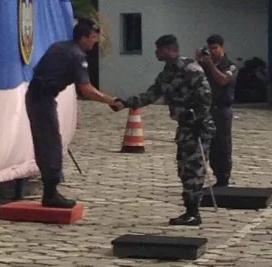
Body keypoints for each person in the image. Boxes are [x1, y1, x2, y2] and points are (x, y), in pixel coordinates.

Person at [112, 35, 215, 226]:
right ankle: (190, 210)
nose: (155, 53)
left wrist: (196, 119)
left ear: (169, 49)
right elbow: (152, 94)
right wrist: (125, 103)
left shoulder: (190, 69)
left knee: (194, 168)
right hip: (184, 127)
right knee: (184, 168)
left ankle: (194, 213)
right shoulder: (167, 73)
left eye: (158, 49)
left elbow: (206, 97)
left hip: (198, 126)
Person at [25, 18, 122, 208]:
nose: (95, 42)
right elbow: (85, 89)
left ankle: (50, 189)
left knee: (45, 142)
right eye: (93, 38)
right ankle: (51, 194)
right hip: (42, 99)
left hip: (36, 96)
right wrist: (110, 100)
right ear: (83, 38)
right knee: (51, 143)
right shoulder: (76, 55)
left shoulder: (59, 46)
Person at [196, 35, 238, 187]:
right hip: (206, 108)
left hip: (222, 110)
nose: (212, 52)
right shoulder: (204, 65)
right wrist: (199, 62)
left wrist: (211, 65)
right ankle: (203, 177)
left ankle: (223, 178)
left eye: (215, 48)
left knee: (223, 144)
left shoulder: (230, 65)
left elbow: (223, 80)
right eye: (210, 48)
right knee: (208, 144)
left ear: (222, 48)